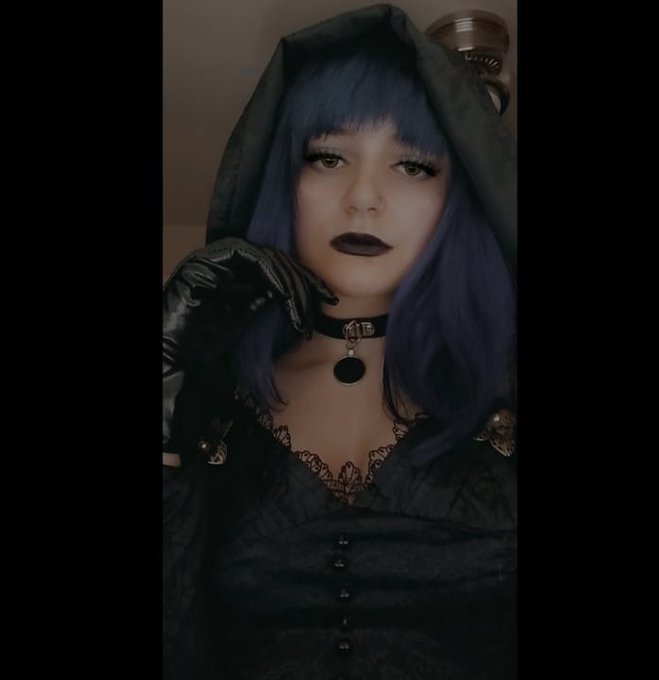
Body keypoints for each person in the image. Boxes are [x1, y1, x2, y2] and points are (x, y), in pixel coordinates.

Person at [163, 4, 517, 679]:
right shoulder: (212, 405)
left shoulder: (506, 381)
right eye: (327, 157)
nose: (362, 197)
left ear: (459, 197)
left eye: (413, 165)